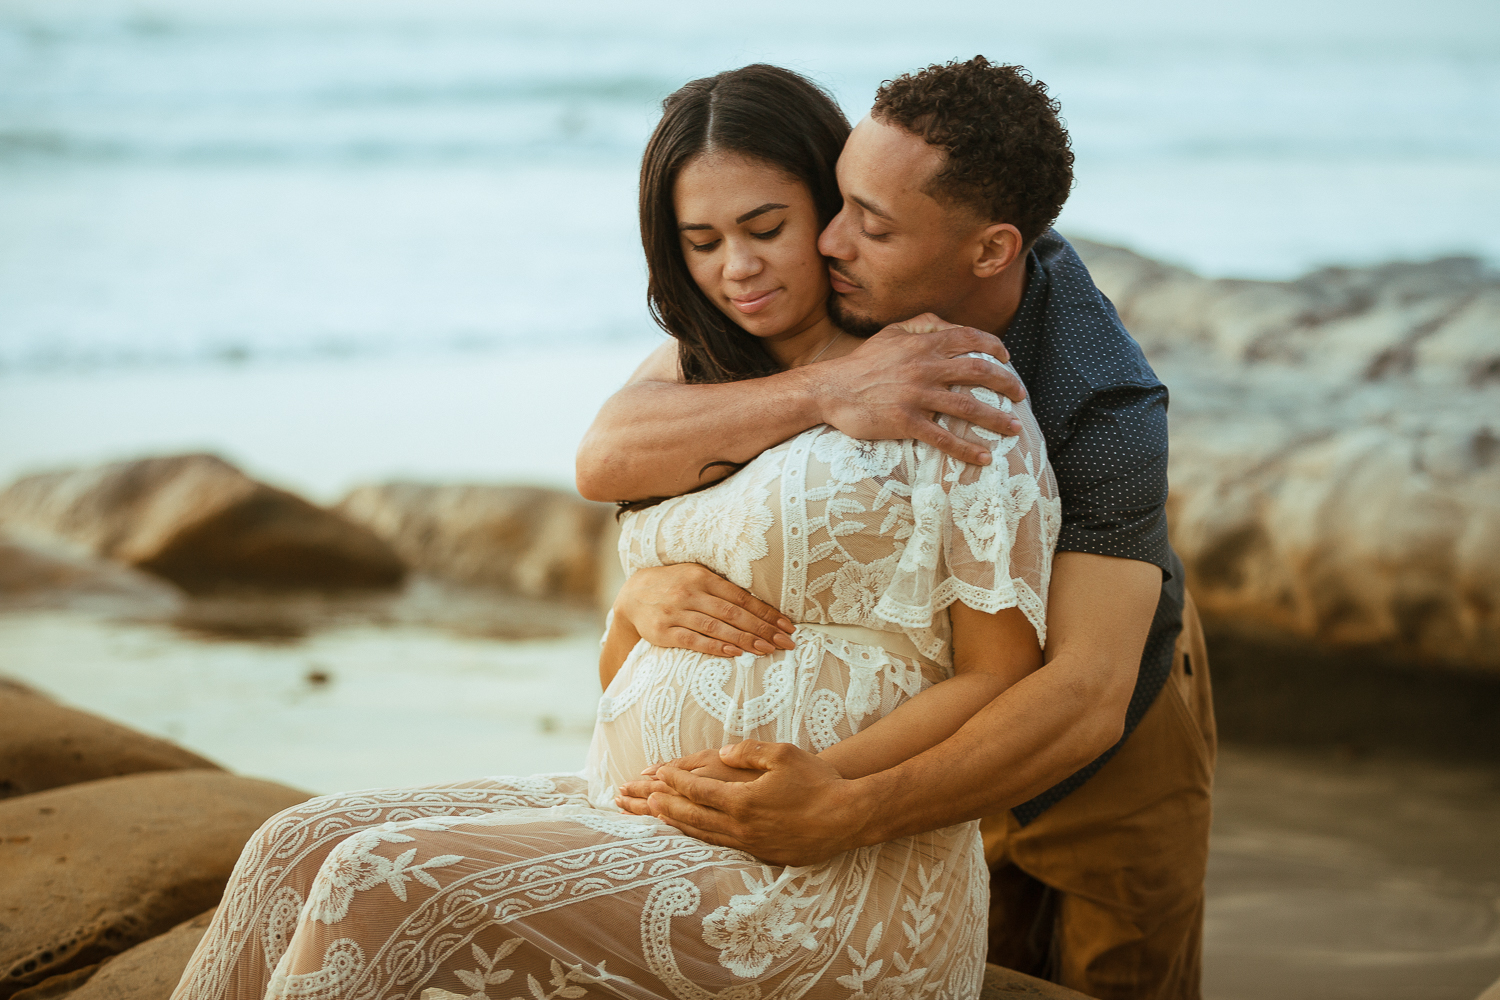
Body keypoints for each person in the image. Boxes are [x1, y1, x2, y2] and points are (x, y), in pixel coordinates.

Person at [171, 64, 1060, 1000]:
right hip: (642, 809)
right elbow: (609, 554)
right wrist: (636, 609)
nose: (739, 268)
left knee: (371, 876)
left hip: (813, 873)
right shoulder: (696, 373)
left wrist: (827, 784)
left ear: (827, 201)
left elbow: (999, 675)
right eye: (703, 241)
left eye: (768, 228)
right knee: (292, 843)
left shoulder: (944, 386)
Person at [584, 58, 1215, 1000]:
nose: (828, 241)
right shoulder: (842, 289)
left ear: (990, 251)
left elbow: (1081, 693)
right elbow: (610, 453)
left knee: (1111, 974)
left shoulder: (1099, 398)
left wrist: (847, 807)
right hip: (931, 706)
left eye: (870, 223)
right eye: (835, 200)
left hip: (1107, 717)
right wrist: (829, 390)